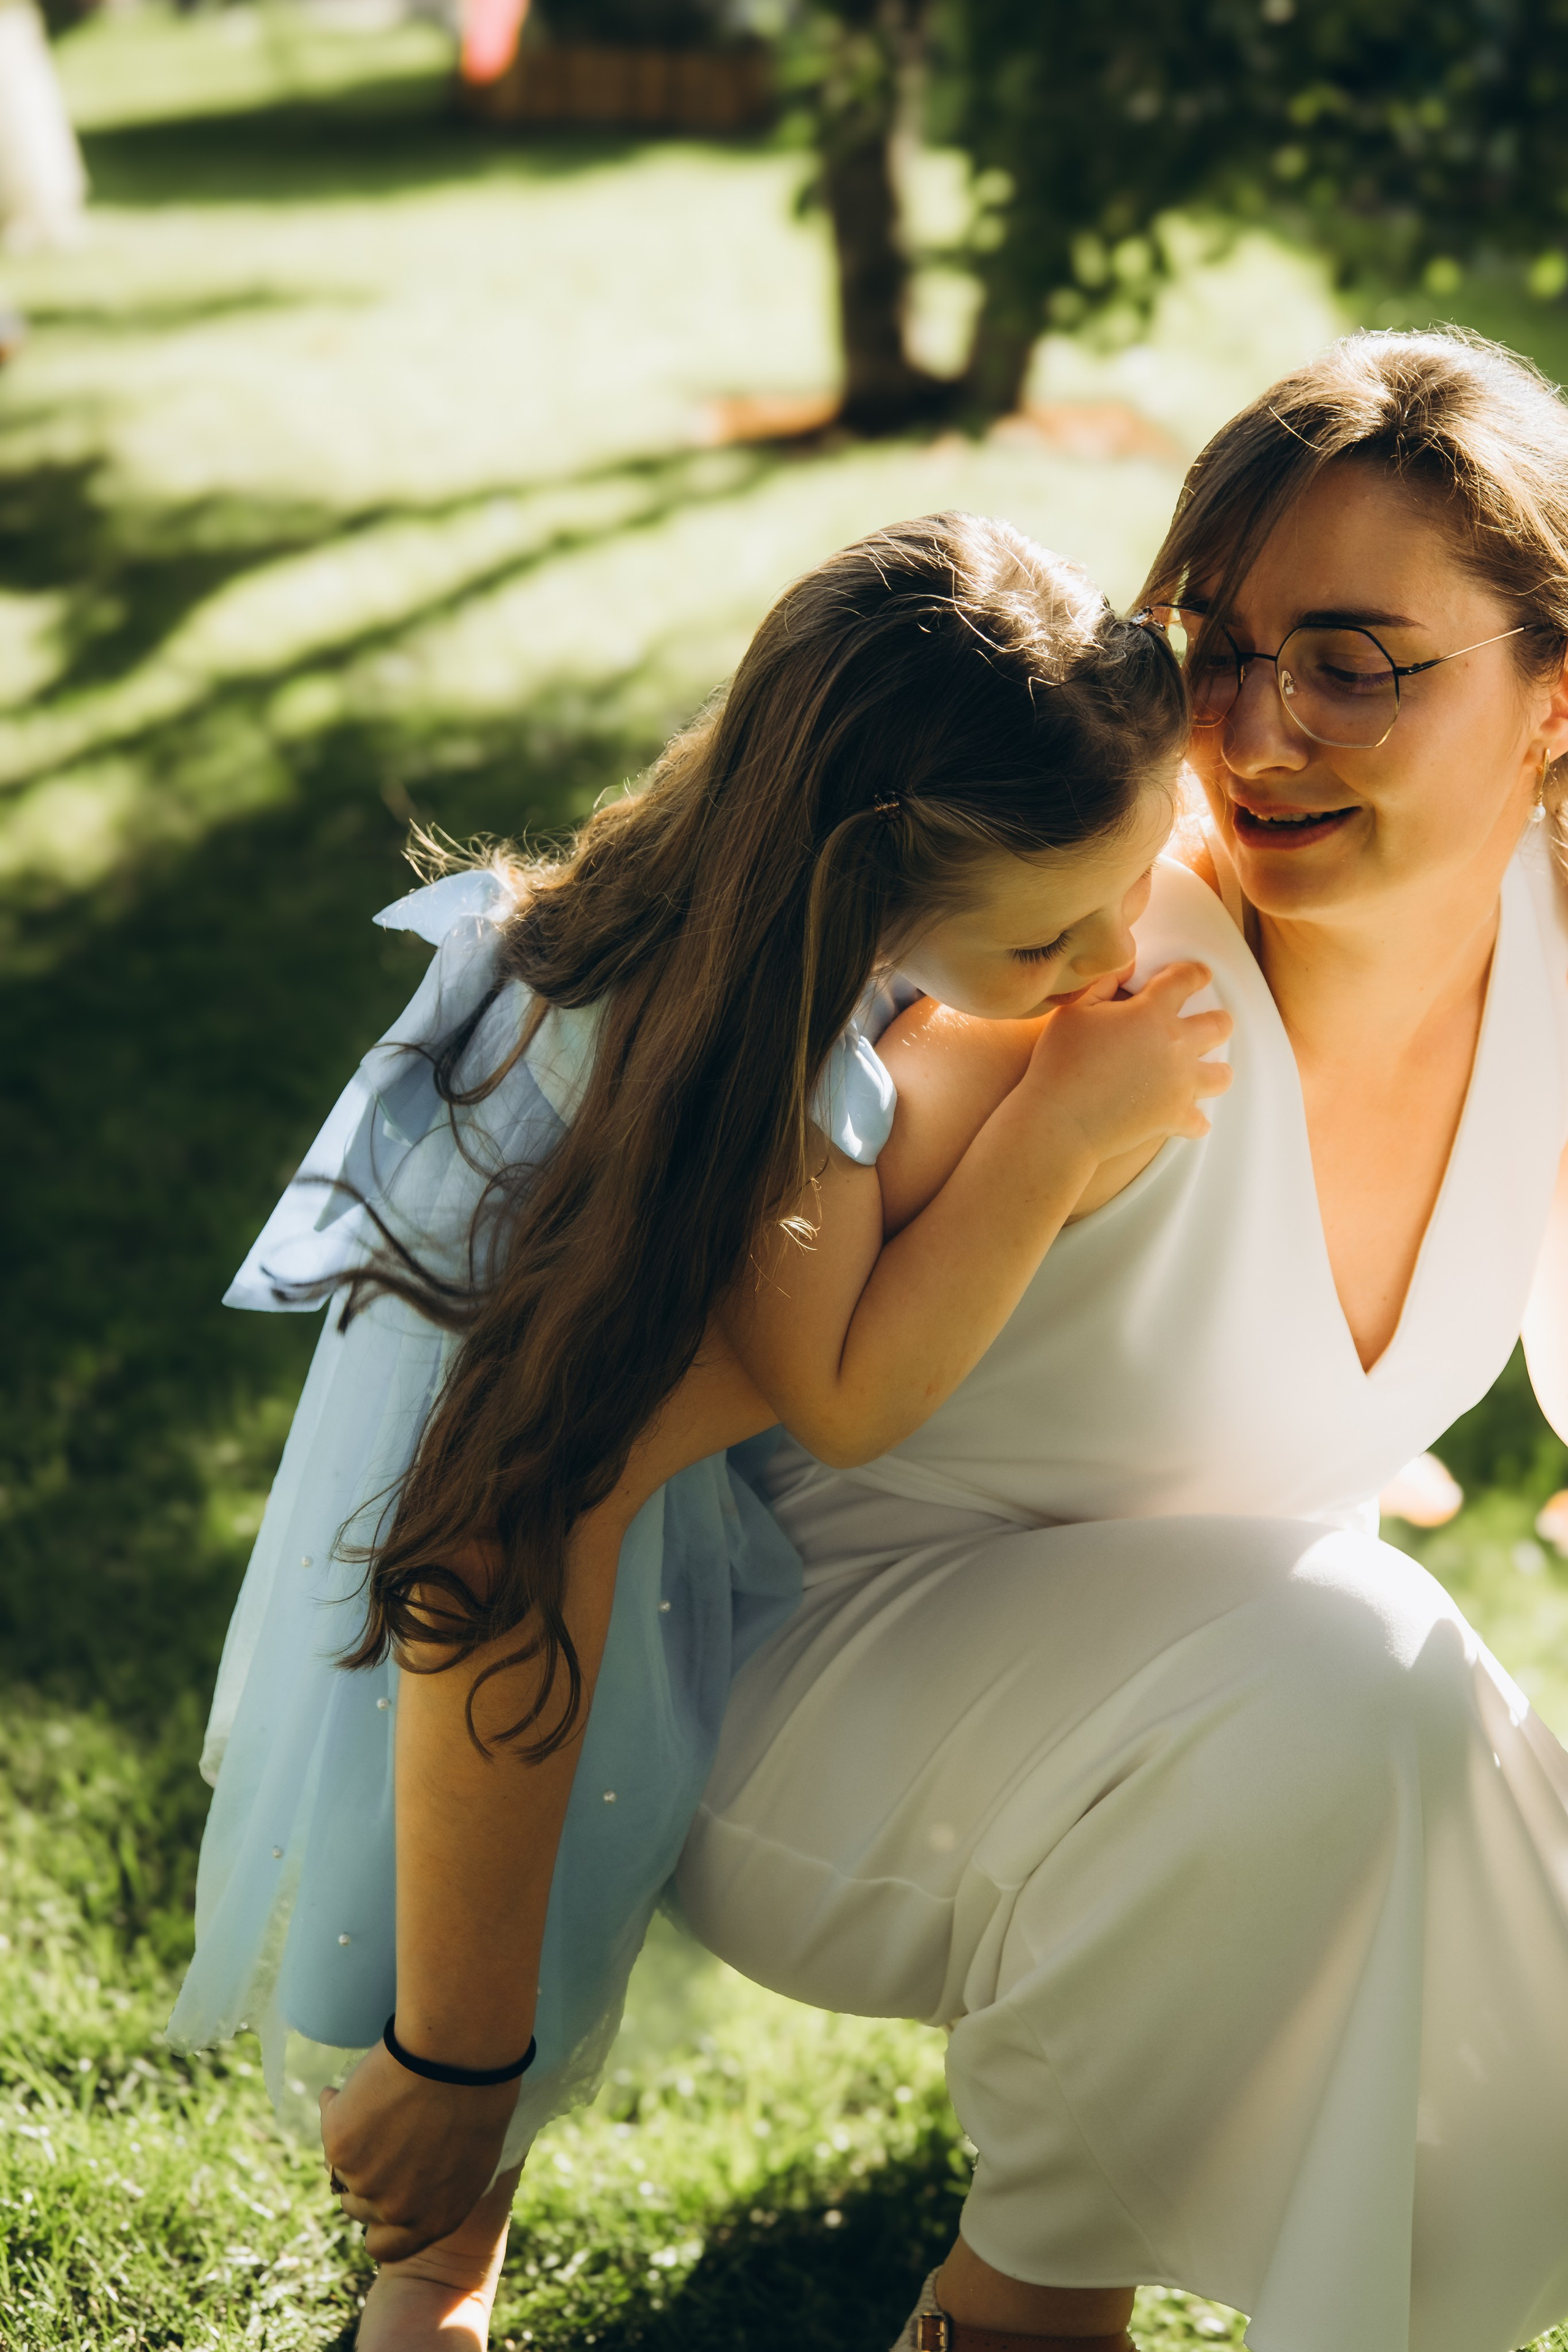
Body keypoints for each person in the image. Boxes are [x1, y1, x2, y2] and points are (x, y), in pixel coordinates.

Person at [167, 513, 1227, 2350]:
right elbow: (852, 1389)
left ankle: (430, 2268)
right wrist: (1059, 1130)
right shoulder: (787, 1075)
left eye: (1121, 899)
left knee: (516, 1846)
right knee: (541, 1849)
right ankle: (434, 2244)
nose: (1105, 952)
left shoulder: (659, 915)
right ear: (870, 891)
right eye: (1051, 933)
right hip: (517, 1513)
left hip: (456, 1445)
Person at [674, 328, 1568, 2352]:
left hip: (1197, 1712)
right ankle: (1017, 2312)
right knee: (1365, 1666)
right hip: (809, 1691)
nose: (1253, 733)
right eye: (1218, 647)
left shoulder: (1561, 961)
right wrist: (454, 2108)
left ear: (1551, 700)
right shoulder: (1070, 965)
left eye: (1352, 659)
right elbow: (590, 1420)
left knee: (1509, 1886)